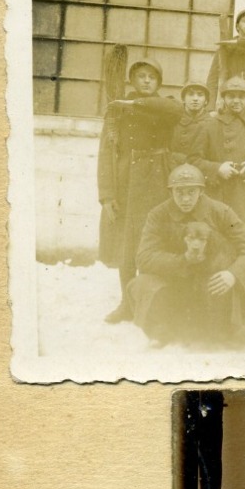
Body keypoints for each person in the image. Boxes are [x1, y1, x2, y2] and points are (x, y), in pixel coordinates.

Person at [126, 164, 245, 346]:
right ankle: (161, 331)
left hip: (210, 284)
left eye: (191, 192)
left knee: (216, 328)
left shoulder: (221, 212)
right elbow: (144, 258)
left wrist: (233, 274)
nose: (185, 199)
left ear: (201, 191)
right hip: (174, 282)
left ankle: (218, 332)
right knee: (141, 283)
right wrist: (183, 261)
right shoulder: (158, 215)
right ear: (171, 192)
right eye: (179, 192)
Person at [98, 59, 184, 322]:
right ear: (131, 81)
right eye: (141, 76)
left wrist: (133, 103)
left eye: (152, 77)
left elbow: (176, 109)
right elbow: (106, 153)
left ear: (159, 82)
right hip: (126, 182)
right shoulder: (116, 111)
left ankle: (153, 303)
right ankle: (127, 303)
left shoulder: (164, 105)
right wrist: (107, 196)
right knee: (127, 246)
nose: (146, 81)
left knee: (155, 243)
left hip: (158, 180)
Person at [195, 77, 245, 249]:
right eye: (231, 96)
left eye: (241, 97)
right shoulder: (209, 126)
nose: (236, 101)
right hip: (219, 195)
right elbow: (193, 160)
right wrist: (216, 168)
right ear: (223, 98)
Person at [170, 82, 211, 167]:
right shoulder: (173, 120)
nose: (195, 99)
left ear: (206, 101)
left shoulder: (212, 124)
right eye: (190, 94)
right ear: (183, 99)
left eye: (200, 95)